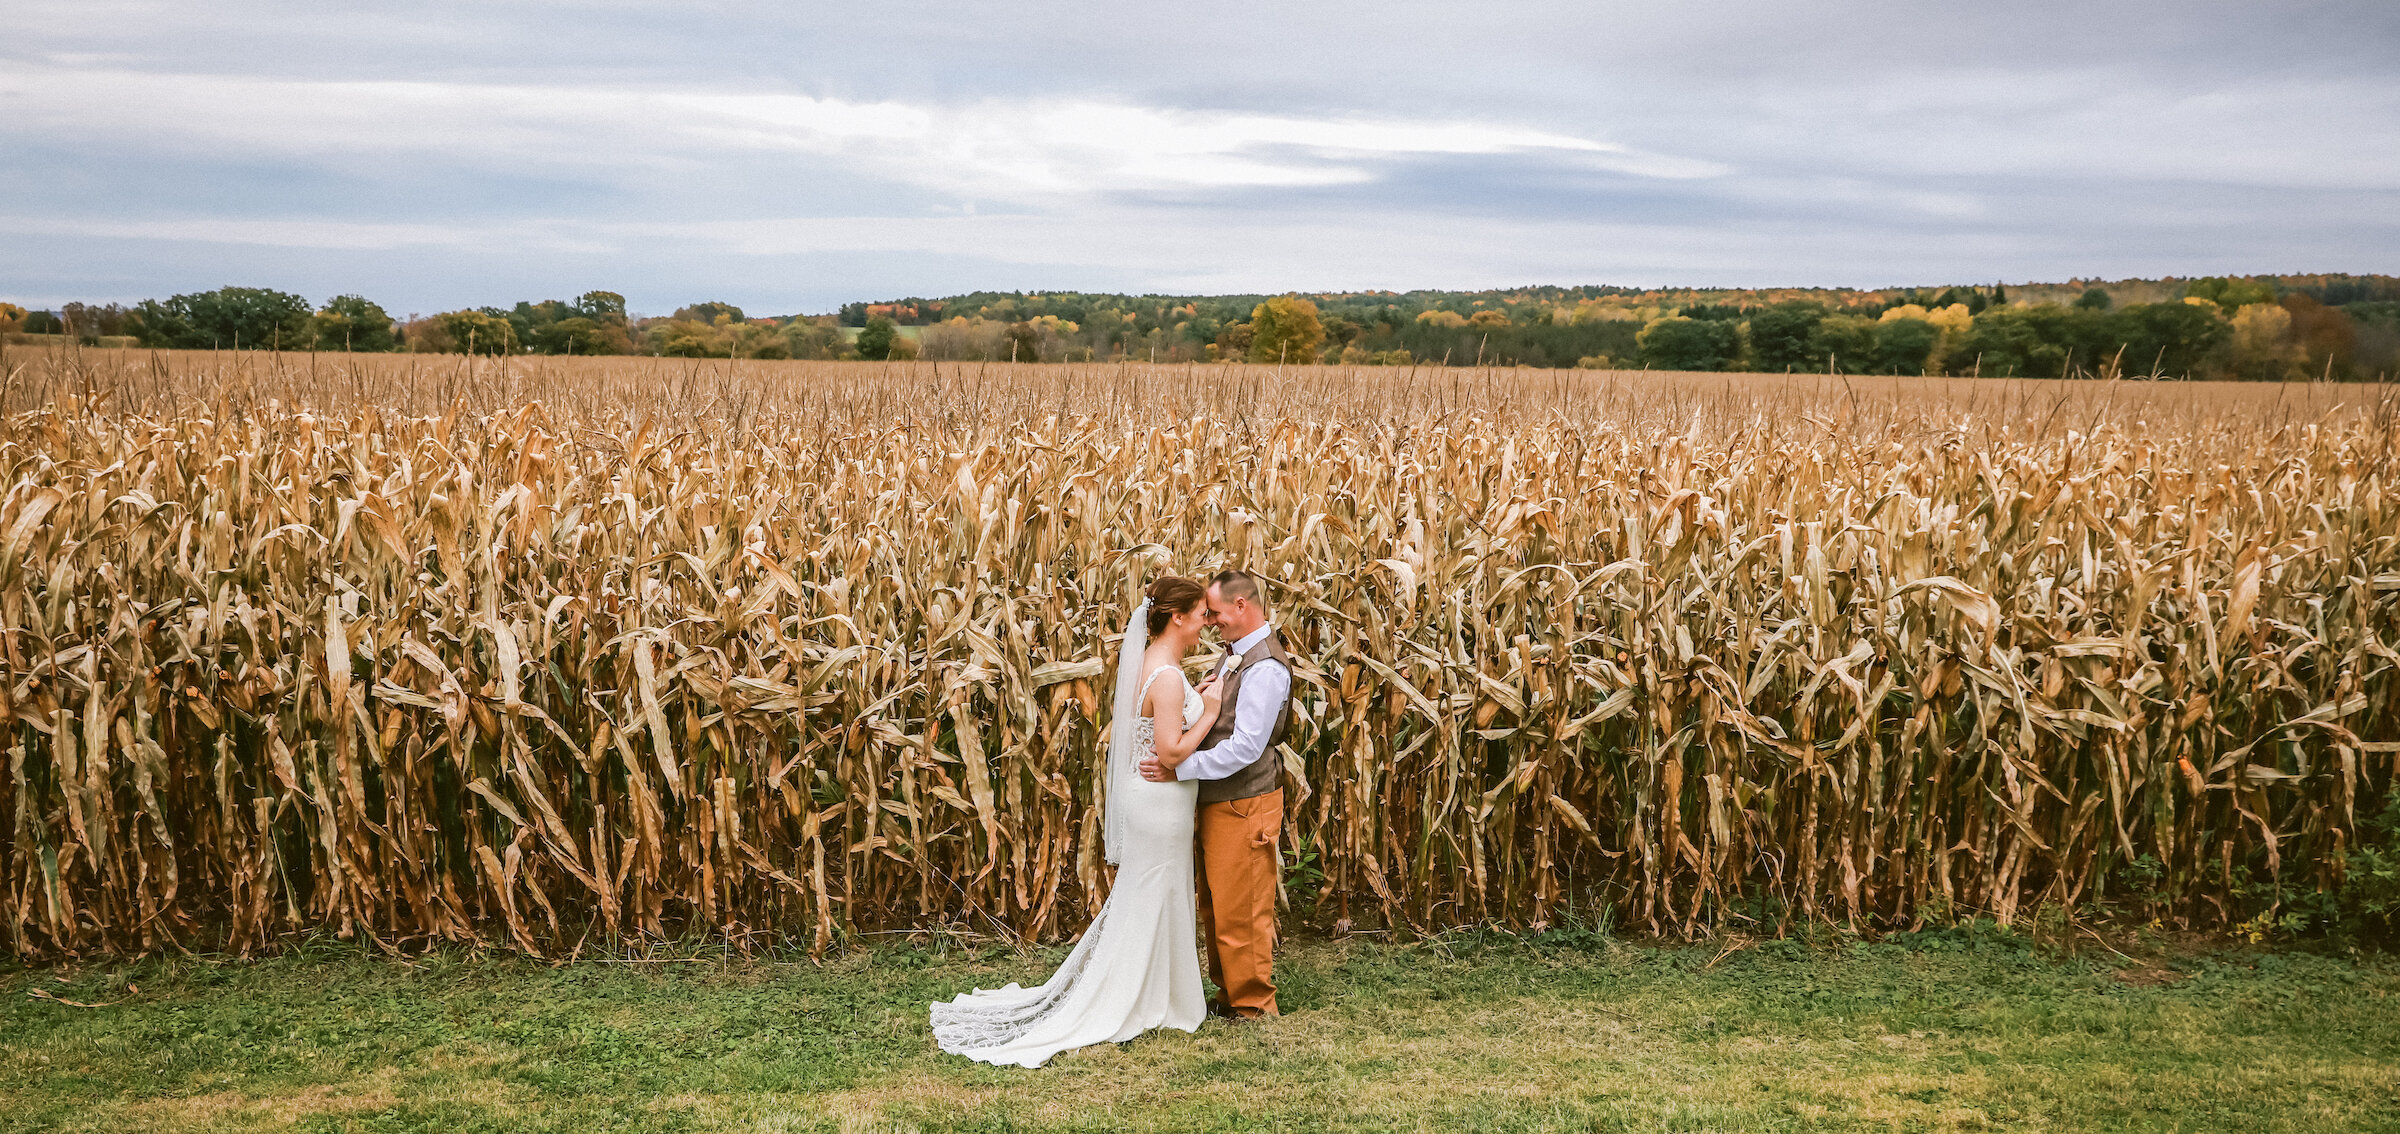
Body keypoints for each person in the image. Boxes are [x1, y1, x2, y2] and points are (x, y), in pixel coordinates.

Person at [929, 576, 1223, 1067]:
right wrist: (1209, 712)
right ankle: (1145, 998)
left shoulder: (1158, 663)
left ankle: (1159, 994)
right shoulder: (1168, 676)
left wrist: (1201, 694)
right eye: (1199, 615)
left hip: (1154, 800)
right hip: (1160, 801)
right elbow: (1171, 751)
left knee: (1156, 893)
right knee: (1155, 891)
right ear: (1177, 617)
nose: (1204, 623)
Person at [1138, 569, 1293, 1020]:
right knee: (1218, 905)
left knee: (1241, 906)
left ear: (1242, 606)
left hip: (1244, 800)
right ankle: (1230, 995)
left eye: (1217, 613)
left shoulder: (1263, 667)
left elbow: (1245, 747)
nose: (1211, 622)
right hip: (1220, 799)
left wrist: (1181, 768)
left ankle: (1253, 1004)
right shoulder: (1234, 656)